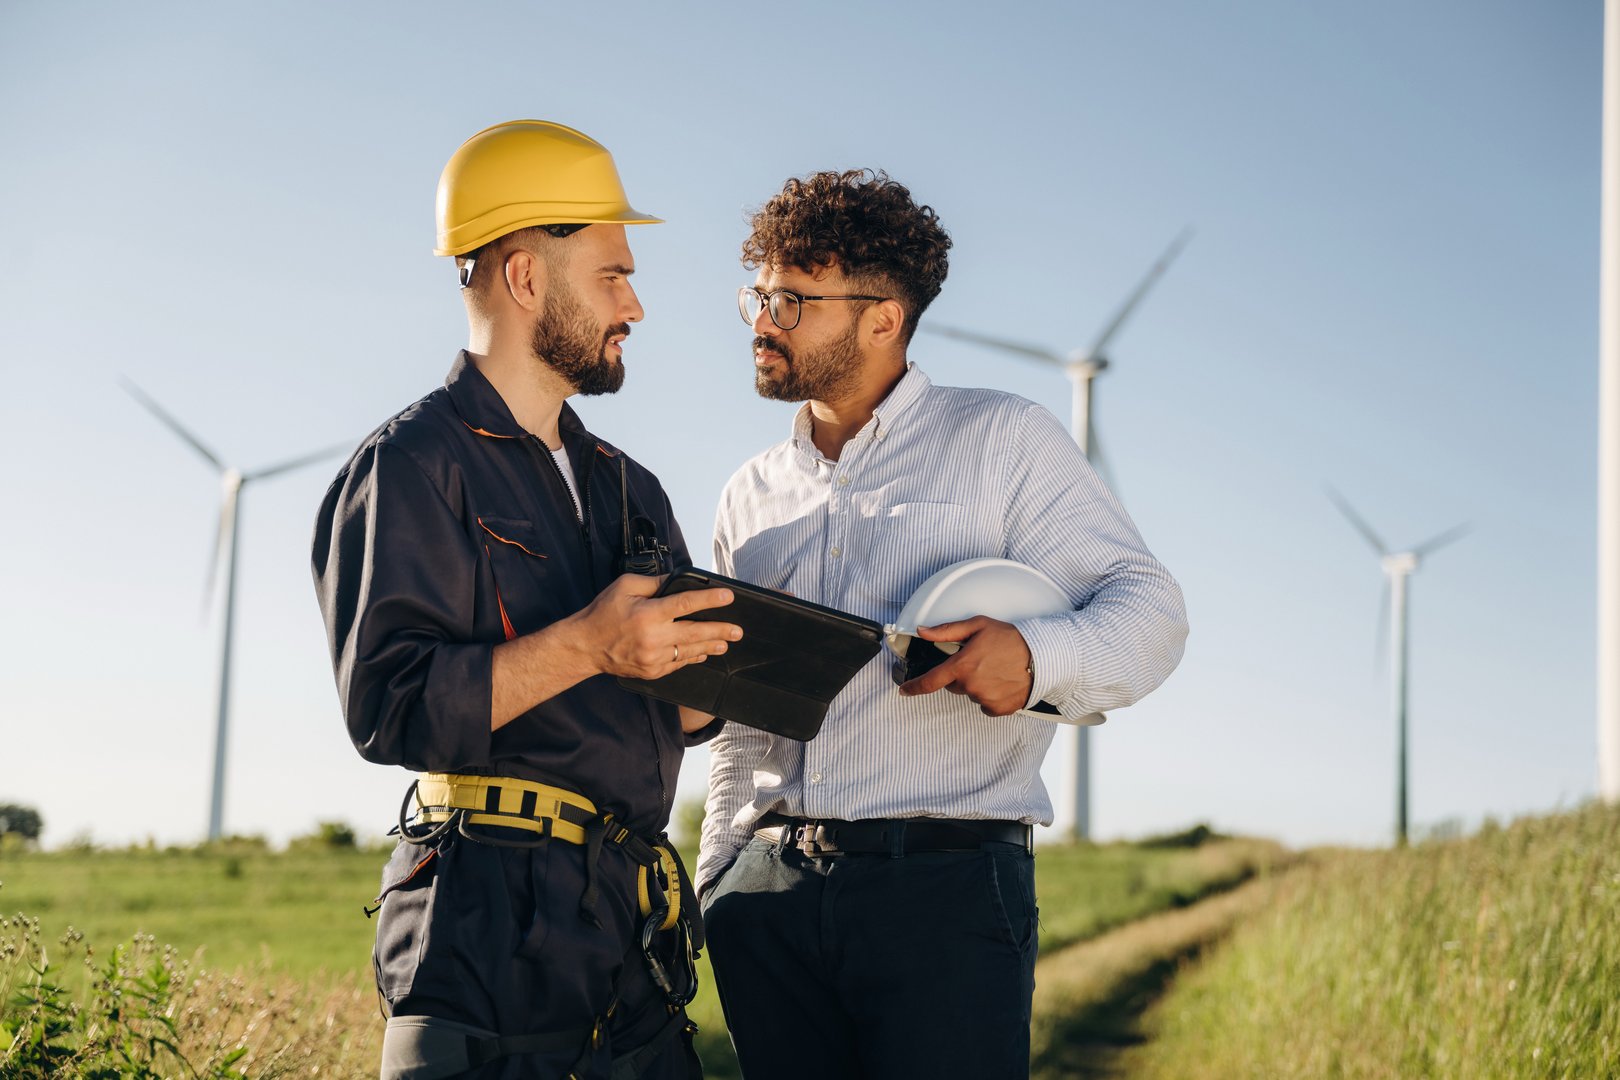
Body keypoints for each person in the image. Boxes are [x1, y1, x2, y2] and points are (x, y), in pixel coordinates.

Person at [697, 169, 1189, 1079]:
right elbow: (740, 720)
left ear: (882, 317)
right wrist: (719, 878)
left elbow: (1151, 608)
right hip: (766, 900)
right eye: (758, 295)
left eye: (791, 299)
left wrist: (1037, 658)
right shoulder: (747, 492)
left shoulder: (1006, 440)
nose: (762, 319)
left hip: (945, 893)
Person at [311, 120, 741, 1080]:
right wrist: (590, 644)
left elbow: (674, 712)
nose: (637, 303)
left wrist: (748, 664)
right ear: (524, 277)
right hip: (482, 927)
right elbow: (392, 708)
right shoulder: (413, 465)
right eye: (613, 275)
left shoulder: (633, 488)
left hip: (632, 942)